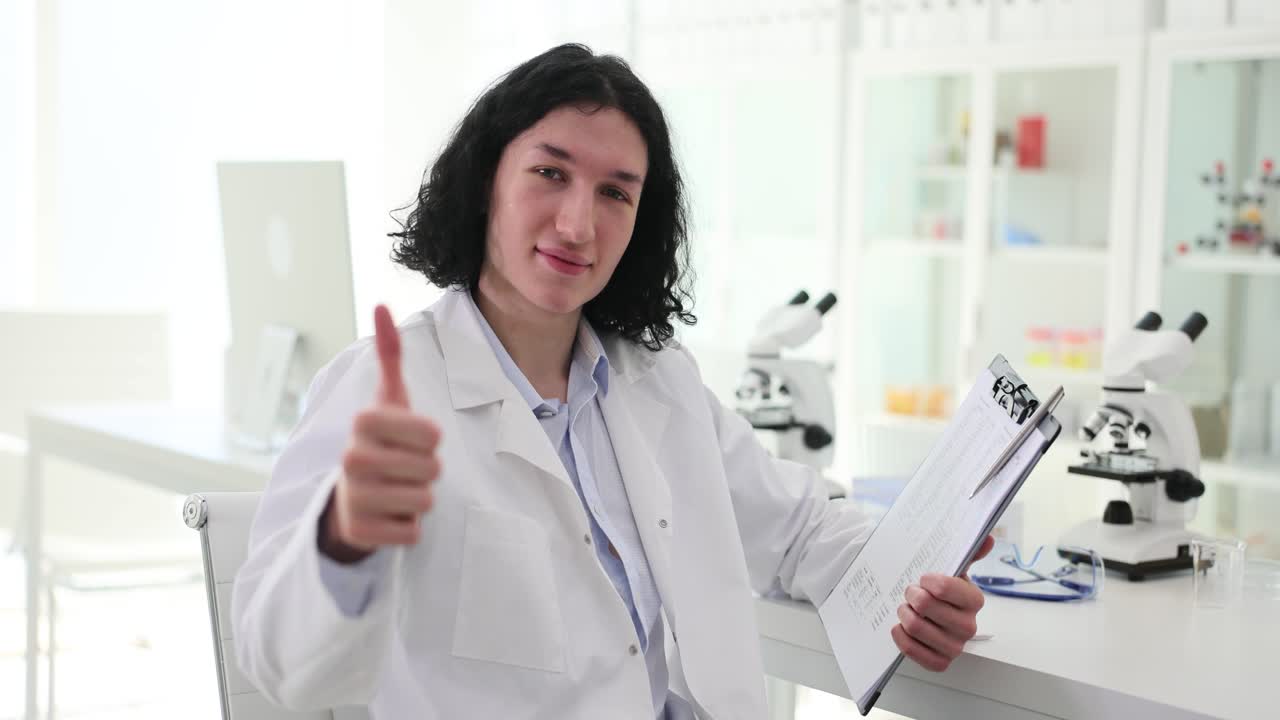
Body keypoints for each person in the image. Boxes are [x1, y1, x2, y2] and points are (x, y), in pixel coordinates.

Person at [232, 43, 993, 720]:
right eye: (549, 173)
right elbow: (277, 664)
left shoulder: (656, 384)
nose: (577, 224)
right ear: (485, 181)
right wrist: (344, 536)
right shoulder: (380, 389)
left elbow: (799, 532)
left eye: (615, 193)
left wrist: (917, 580)